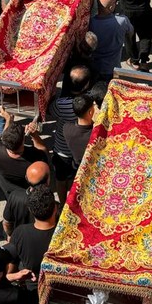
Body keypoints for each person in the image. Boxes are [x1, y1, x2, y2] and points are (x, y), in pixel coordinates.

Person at [5, 184, 56, 300]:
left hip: (33, 287)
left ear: (30, 210)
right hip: (61, 288)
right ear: (55, 208)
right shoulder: (66, 235)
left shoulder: (20, 232)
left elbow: (11, 263)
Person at [50, 65, 92, 202]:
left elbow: (51, 111)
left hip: (62, 150)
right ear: (87, 84)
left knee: (60, 179)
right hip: (81, 152)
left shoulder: (61, 104)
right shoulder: (91, 105)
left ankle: (63, 203)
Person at [0, 107, 49, 196]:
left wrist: (8, 119)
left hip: (8, 192)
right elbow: (44, 151)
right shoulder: (34, 157)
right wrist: (34, 135)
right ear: (23, 140)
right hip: (29, 195)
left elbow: (4, 139)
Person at [88, 0, 133, 79]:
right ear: (111, 7)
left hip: (93, 67)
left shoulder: (90, 23)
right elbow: (131, 33)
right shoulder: (122, 21)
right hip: (113, 68)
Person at [2, 161, 51, 239]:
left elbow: (6, 222)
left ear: (26, 178)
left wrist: (10, 235)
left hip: (20, 237)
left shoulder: (15, 196)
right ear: (48, 181)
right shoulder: (51, 204)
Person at [63, 94, 95, 171]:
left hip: (77, 166)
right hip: (92, 167)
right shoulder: (94, 133)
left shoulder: (66, 128)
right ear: (90, 112)